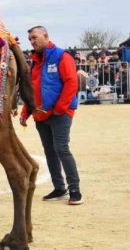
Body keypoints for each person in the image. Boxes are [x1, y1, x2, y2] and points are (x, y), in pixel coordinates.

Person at [19, 26, 83, 205]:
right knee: (50, 152)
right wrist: (26, 112)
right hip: (41, 114)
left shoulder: (62, 56)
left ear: (46, 36)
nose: (32, 41)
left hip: (59, 113)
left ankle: (75, 190)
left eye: (35, 37)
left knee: (62, 148)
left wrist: (60, 108)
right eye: (30, 39)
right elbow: (32, 90)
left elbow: (71, 82)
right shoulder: (34, 62)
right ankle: (59, 188)